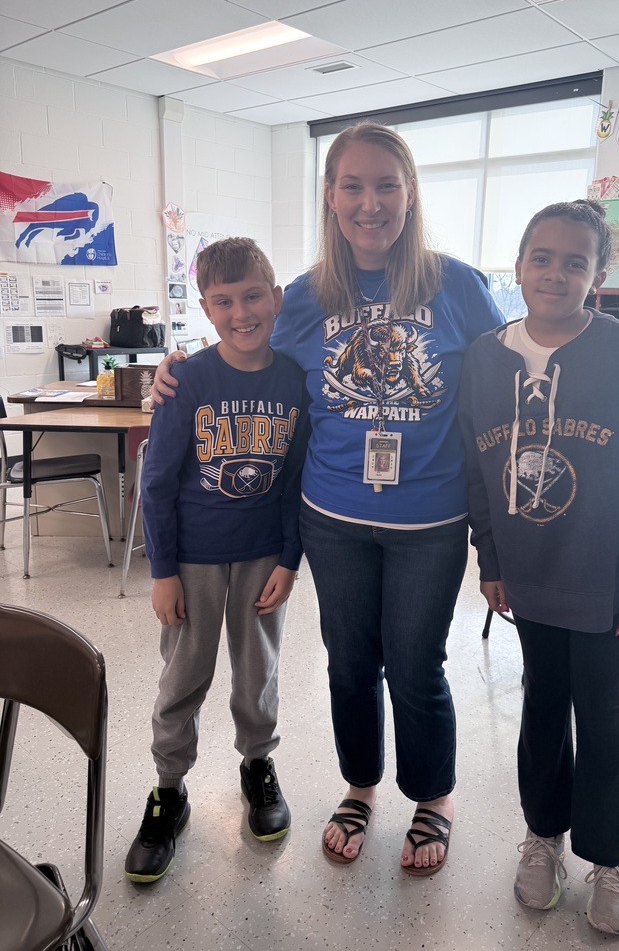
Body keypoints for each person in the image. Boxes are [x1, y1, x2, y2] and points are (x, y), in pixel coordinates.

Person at [152, 122, 504, 875]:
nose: (369, 202)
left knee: (415, 665)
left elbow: (506, 379)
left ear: (409, 194)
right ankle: (360, 785)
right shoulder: (305, 297)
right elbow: (242, 349)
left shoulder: (458, 286)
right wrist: (174, 369)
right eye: (353, 186)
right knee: (348, 665)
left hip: (431, 519)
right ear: (331, 197)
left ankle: (433, 796)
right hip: (333, 520)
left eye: (386, 185)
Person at [459, 200, 619, 933]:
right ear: (519, 265)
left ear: (597, 276)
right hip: (529, 581)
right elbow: (478, 476)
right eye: (542, 258)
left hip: (607, 586)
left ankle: (611, 856)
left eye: (574, 262)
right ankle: (543, 835)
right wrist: (491, 558)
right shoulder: (483, 359)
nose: (555, 274)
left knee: (600, 718)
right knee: (540, 710)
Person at [125, 237, 308, 884]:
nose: (241, 313)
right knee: (184, 675)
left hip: (263, 556)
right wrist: (162, 570)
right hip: (193, 561)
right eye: (224, 301)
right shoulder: (188, 380)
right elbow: (156, 481)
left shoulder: (295, 380)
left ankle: (258, 764)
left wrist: (290, 558)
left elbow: (296, 480)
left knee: (258, 670)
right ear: (206, 308)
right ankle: (169, 789)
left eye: (252, 296)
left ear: (275, 297)